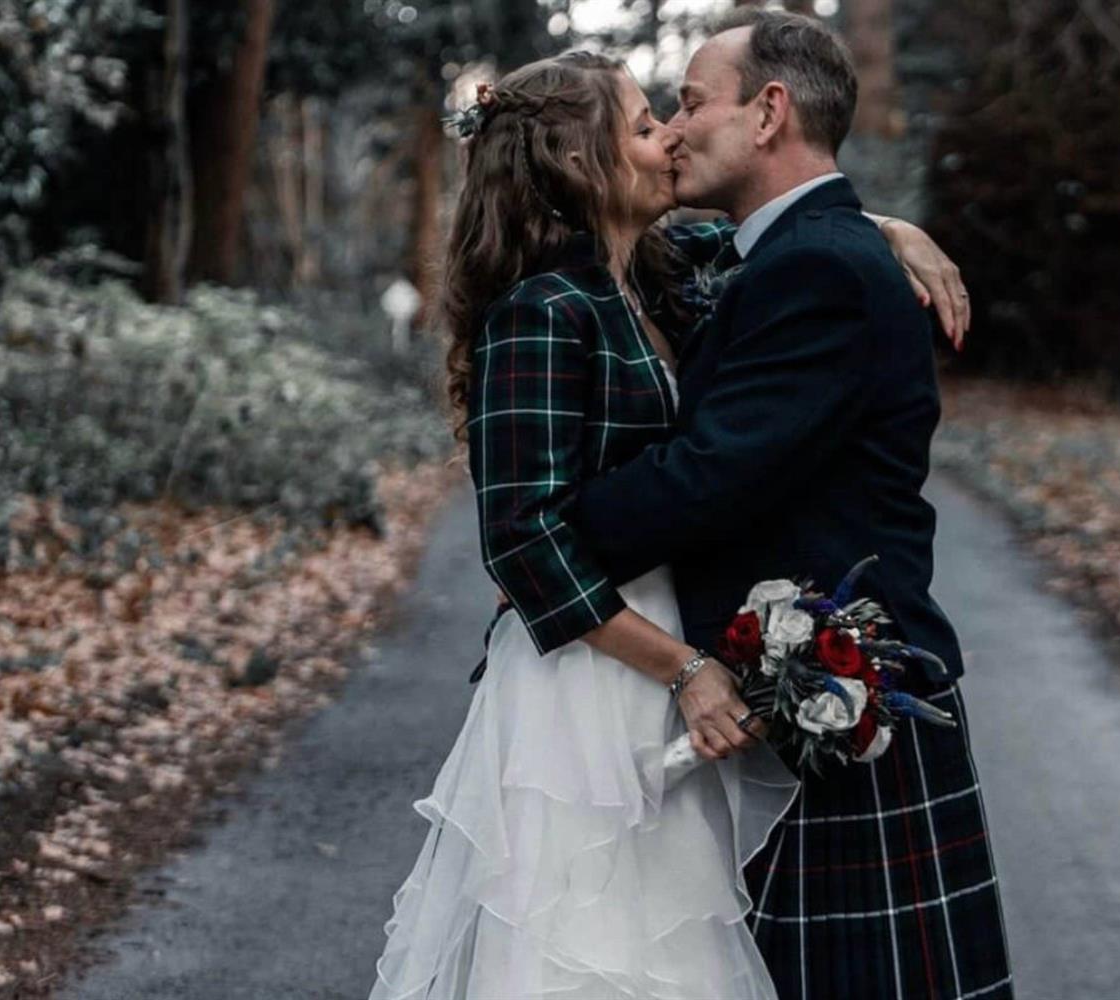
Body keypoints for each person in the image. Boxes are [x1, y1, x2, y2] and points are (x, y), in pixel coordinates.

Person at [367, 45, 971, 1000]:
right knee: (586, 939)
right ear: (582, 164)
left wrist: (887, 227)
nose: (671, 136)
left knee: (684, 944)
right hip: (600, 670)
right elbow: (524, 536)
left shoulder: (651, 274)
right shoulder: (543, 310)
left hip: (666, 662)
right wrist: (641, 630)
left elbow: (789, 241)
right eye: (648, 124)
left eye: (676, 114)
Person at [563, 10, 1014, 999]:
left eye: (691, 104)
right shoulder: (786, 253)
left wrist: (544, 537)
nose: (674, 132)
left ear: (769, 113)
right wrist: (884, 224)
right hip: (799, 700)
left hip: (841, 707)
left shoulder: (817, 266)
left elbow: (714, 474)